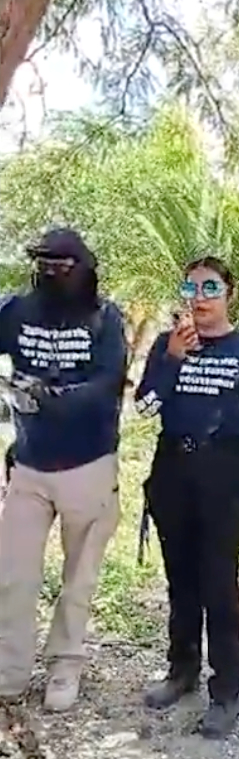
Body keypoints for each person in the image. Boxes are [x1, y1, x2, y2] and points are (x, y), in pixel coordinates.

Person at [134, 256, 239, 739]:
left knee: (220, 586)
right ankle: (182, 670)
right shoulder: (166, 346)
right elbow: (145, 407)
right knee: (181, 582)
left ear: (229, 294)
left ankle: (227, 690)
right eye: (191, 287)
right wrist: (173, 358)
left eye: (210, 287)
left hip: (224, 478)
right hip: (172, 473)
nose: (199, 297)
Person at [0, 228, 127, 712]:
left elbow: (107, 384)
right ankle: (9, 671)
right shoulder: (16, 311)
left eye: (62, 264)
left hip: (89, 466)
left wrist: (51, 398)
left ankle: (64, 667)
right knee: (13, 574)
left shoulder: (104, 318)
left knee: (79, 580)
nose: (51, 272)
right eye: (44, 263)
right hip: (29, 468)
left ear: (84, 269)